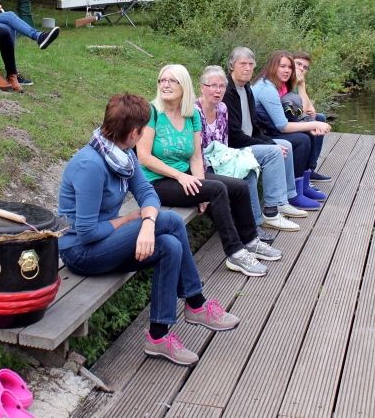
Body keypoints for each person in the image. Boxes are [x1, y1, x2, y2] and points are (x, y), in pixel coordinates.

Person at [57, 93, 240, 367]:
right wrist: (130, 220)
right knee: (172, 221)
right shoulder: (90, 165)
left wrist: (147, 223)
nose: (143, 134)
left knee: (170, 245)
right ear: (134, 133)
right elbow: (86, 233)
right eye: (143, 130)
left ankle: (158, 337)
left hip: (106, 242)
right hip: (81, 253)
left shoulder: (122, 154)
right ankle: (196, 303)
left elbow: (146, 192)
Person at [136, 64, 283, 278]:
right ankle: (235, 253)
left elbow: (196, 157)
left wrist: (200, 188)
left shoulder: (190, 115)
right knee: (216, 189)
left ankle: (251, 241)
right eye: (162, 80)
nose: (165, 85)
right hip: (155, 182)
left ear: (184, 85)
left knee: (240, 186)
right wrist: (183, 177)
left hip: (185, 175)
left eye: (171, 80)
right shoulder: (152, 112)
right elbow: (144, 157)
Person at [195, 65, 307, 243]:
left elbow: (225, 141)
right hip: (203, 165)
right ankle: (254, 224)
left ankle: (271, 210)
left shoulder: (222, 108)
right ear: (202, 87)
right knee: (247, 168)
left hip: (222, 157)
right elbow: (196, 152)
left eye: (222, 86)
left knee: (249, 165)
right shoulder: (195, 111)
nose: (218, 90)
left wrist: (235, 159)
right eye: (213, 86)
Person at [223, 46, 322, 211]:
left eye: (250, 64)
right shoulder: (231, 91)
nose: (247, 68)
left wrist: (271, 143)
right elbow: (235, 135)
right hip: (234, 146)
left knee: (286, 145)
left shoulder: (246, 88)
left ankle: (289, 195)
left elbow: (253, 128)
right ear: (231, 66)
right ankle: (274, 206)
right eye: (242, 64)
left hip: (253, 136)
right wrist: (270, 145)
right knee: (289, 145)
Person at [252, 51, 330, 204]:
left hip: (270, 127)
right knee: (302, 140)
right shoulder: (267, 88)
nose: (287, 70)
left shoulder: (280, 84)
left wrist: (310, 125)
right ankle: (293, 193)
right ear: (273, 66)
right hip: (260, 133)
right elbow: (282, 126)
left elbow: (299, 114)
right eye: (283, 66)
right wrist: (314, 124)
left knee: (308, 133)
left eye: (289, 67)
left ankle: (303, 185)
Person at [292, 51, 332, 181]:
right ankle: (304, 172)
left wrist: (312, 112)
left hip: (296, 118)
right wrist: (301, 84)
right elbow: (301, 112)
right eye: (298, 64)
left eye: (305, 67)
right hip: (285, 123)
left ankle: (310, 168)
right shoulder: (288, 81)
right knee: (314, 122)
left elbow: (308, 107)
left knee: (319, 117)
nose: (301, 69)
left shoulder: (297, 82)